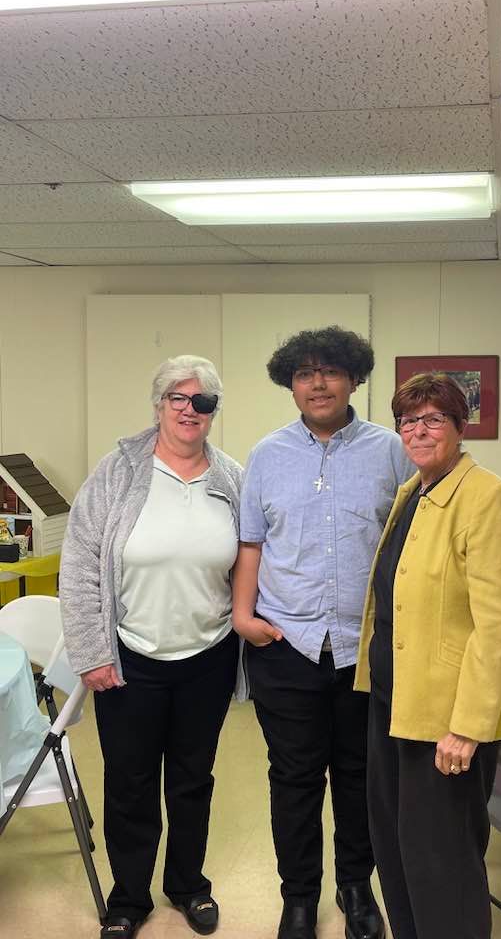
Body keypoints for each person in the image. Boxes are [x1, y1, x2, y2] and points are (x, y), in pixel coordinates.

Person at [233, 326, 414, 939]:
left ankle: (357, 887)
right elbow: (252, 542)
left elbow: (412, 544)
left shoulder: (390, 450)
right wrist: (242, 616)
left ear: (355, 379)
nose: (317, 382)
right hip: (286, 646)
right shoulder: (266, 455)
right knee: (293, 779)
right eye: (305, 373)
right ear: (290, 383)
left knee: (361, 776)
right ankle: (299, 897)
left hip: (365, 651)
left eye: (330, 370)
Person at [60, 355, 244, 939]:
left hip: (208, 655)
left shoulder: (232, 478)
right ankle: (129, 897)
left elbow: (253, 559)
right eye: (178, 399)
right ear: (159, 404)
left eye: (203, 402)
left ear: (214, 412)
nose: (190, 410)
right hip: (130, 656)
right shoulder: (115, 473)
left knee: (193, 778)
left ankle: (188, 884)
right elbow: (79, 564)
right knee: (131, 781)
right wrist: (91, 650)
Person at [354, 372, 501, 939]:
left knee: (442, 861)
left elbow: (494, 626)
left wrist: (468, 728)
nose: (418, 430)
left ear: (460, 426)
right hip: (394, 702)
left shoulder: (486, 496)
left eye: (433, 419)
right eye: (408, 420)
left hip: (446, 719)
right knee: (397, 847)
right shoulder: (415, 491)